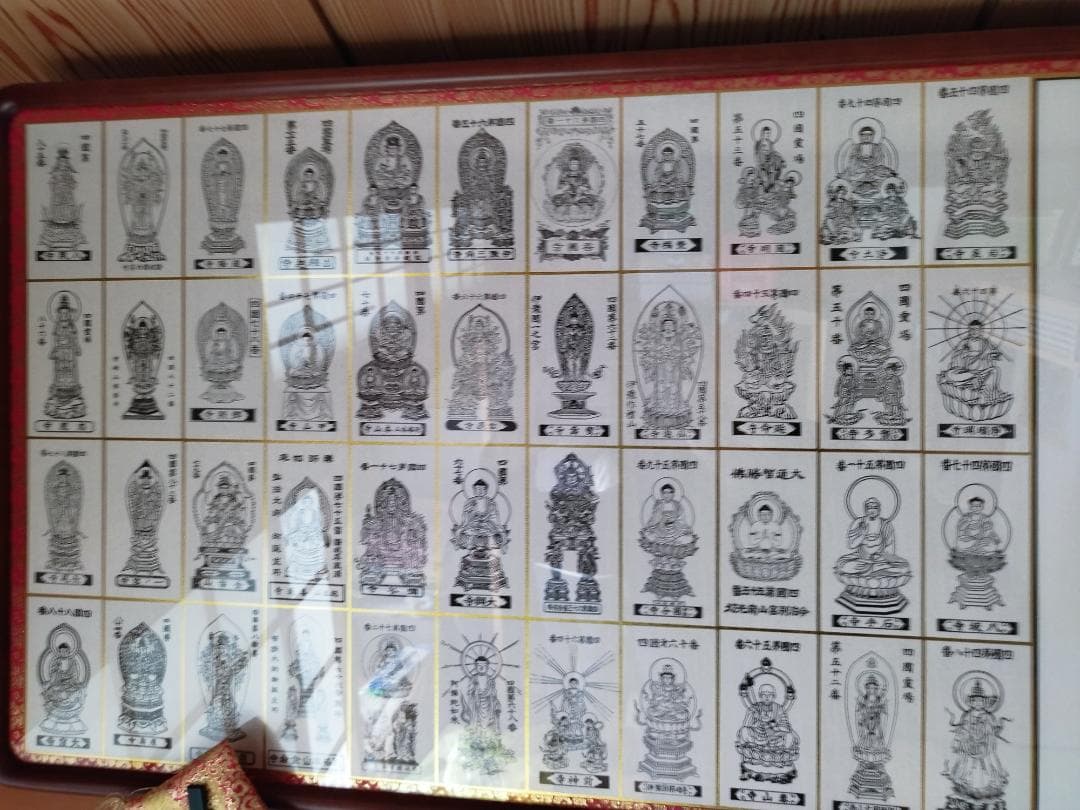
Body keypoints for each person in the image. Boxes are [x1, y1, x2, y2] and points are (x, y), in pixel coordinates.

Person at [946, 680, 1009, 799]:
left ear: (985, 702)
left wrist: (996, 727)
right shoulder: (967, 715)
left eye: (981, 701)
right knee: (966, 761)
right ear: (971, 702)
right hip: (970, 743)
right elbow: (963, 728)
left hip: (985, 744)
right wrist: (960, 739)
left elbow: (993, 729)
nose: (978, 703)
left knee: (989, 761)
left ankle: (995, 780)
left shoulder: (988, 716)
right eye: (975, 701)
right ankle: (961, 779)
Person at [836, 497, 911, 579]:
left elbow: (890, 550)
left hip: (881, 560)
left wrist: (881, 558)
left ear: (879, 509)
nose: (872, 510)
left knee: (904, 566)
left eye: (875, 507)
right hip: (861, 559)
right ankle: (877, 570)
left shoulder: (886, 524)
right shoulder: (859, 522)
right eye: (869, 507)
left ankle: (874, 569)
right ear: (865, 509)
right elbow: (851, 545)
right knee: (842, 565)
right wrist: (862, 534)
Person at [736, 683, 799, 753]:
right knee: (743, 731)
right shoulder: (755, 707)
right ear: (760, 696)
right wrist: (755, 718)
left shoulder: (779, 708)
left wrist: (775, 727)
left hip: (773, 735)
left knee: (789, 736)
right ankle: (758, 748)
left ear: (774, 696)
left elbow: (786, 727)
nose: (767, 697)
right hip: (758, 734)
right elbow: (746, 724)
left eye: (770, 695)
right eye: (764, 695)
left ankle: (777, 750)